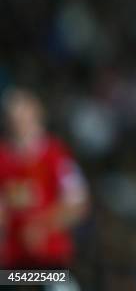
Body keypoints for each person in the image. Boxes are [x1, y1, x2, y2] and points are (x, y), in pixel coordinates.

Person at [0, 87, 89, 270]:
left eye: (23, 117)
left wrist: (44, 226)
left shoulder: (56, 155)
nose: (18, 124)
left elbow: (78, 202)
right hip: (11, 259)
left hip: (50, 258)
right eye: (13, 119)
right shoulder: (2, 157)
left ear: (37, 115)